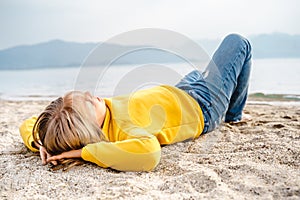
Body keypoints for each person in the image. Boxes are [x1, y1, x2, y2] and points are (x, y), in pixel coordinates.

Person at [19, 34, 252, 171]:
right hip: (204, 106)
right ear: (88, 128)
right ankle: (232, 115)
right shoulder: (123, 130)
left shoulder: (90, 117)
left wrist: (41, 143)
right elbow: (150, 155)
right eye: (88, 103)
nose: (90, 94)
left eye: (82, 95)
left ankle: (221, 92)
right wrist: (83, 153)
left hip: (181, 90)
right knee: (239, 43)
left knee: (200, 72)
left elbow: (29, 123)